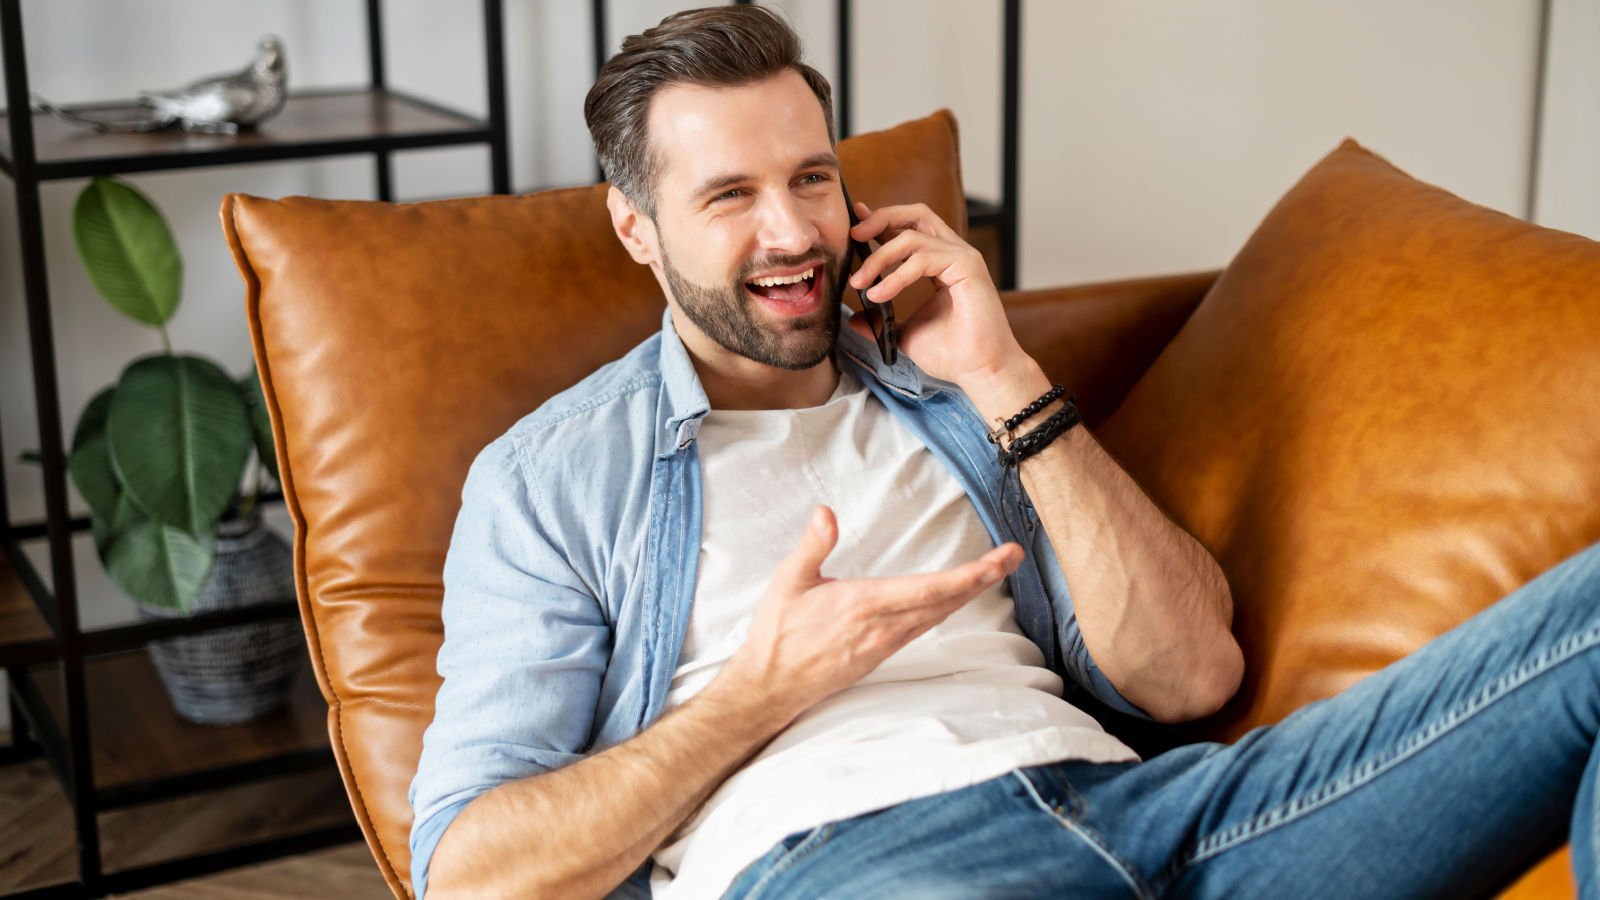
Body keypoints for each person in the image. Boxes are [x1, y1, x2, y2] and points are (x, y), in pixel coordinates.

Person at [408, 7, 1600, 898]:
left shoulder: (953, 395)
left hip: (1162, 813)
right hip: (867, 858)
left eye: (811, 177)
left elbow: (1189, 679)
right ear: (637, 228)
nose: (792, 233)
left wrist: (1002, 375)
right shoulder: (551, 478)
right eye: (729, 196)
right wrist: (760, 693)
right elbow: (468, 870)